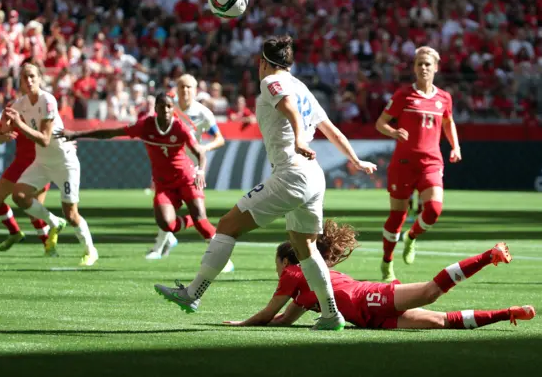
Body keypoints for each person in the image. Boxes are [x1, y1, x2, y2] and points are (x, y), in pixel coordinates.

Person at [154, 35, 377, 331]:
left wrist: (297, 138)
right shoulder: (302, 87)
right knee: (305, 248)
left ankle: (193, 294)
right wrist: (355, 159)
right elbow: (331, 130)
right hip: (313, 176)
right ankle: (331, 313)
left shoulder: (271, 81)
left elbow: (287, 107)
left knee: (227, 226)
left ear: (262, 63)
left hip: (291, 174)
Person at [223, 221, 536, 330]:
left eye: (277, 263)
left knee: (429, 291)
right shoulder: (304, 288)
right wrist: (261, 321)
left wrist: (242, 323)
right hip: (370, 319)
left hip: (368, 299)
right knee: (441, 321)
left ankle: (488, 255)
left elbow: (268, 313)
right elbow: (283, 320)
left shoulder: (294, 270)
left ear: (284, 259)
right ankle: (507, 313)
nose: (277, 270)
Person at [59, 92, 209, 266]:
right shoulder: (145, 126)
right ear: (156, 109)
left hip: (186, 176)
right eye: (162, 106)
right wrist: (77, 134)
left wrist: (201, 171)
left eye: (169, 106)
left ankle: (220, 257)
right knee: (167, 224)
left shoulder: (180, 127)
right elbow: (111, 133)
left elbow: (200, 151)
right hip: (164, 182)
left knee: (200, 220)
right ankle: (192, 221)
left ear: (173, 108)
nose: (166, 109)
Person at [375, 46, 462, 282]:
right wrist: (393, 132)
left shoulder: (444, 97)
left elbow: (448, 122)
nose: (423, 68)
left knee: (433, 210)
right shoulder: (403, 95)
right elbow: (380, 123)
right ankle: (387, 263)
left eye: (427, 64)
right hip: (403, 164)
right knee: (397, 217)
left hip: (431, 161)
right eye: (419, 64)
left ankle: (411, 237)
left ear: (436, 67)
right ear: (414, 68)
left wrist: (455, 146)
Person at [3, 61, 98, 266]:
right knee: (19, 195)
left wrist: (18, 124)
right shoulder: (19, 104)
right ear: (19, 81)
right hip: (42, 162)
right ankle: (54, 222)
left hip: (64, 162)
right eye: (25, 77)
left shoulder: (48, 100)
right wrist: (3, 132)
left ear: (39, 79)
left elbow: (45, 139)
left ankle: (91, 251)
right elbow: (3, 130)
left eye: (32, 76)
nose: (29, 81)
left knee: (72, 214)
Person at [143, 74, 232, 274]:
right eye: (182, 87)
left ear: (195, 89)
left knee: (198, 215)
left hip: (192, 168)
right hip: (170, 166)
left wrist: (204, 149)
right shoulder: (168, 108)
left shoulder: (203, 113)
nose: (185, 91)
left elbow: (219, 139)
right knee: (167, 209)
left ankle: (220, 258)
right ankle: (161, 246)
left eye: (189, 87)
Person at [0, 90, 54, 256]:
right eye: (25, 79)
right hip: (20, 163)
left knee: (32, 210)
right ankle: (15, 232)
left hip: (41, 163)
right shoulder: (13, 108)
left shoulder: (46, 106)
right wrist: (3, 138)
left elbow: (55, 132)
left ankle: (49, 246)